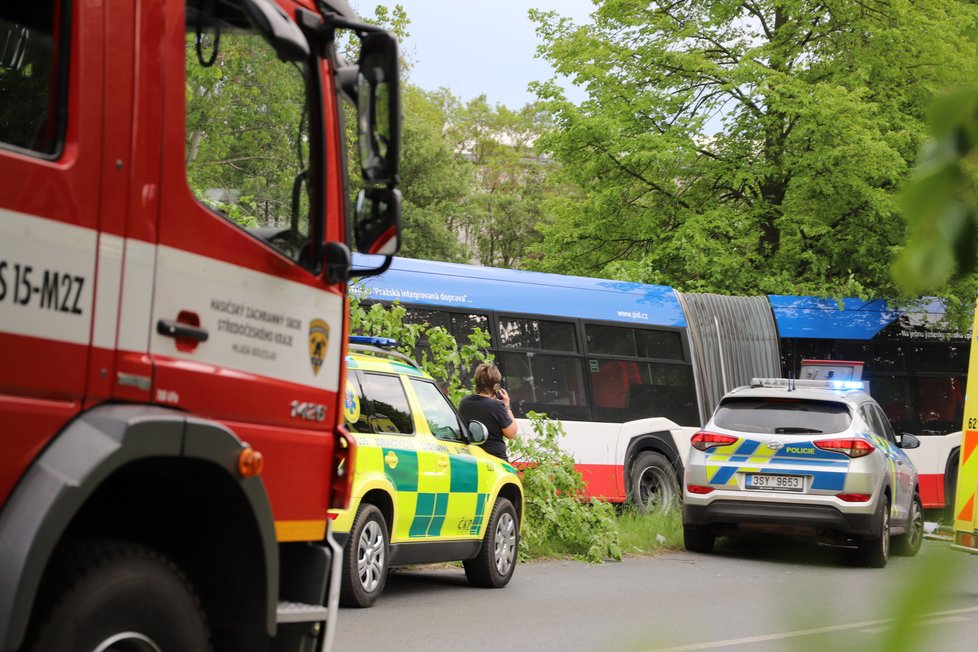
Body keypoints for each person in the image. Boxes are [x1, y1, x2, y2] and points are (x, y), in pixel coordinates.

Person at [459, 363, 518, 461]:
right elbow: (512, 433)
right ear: (495, 386)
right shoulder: (497, 406)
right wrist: (506, 405)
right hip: (495, 460)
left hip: (471, 457)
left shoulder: (464, 402)